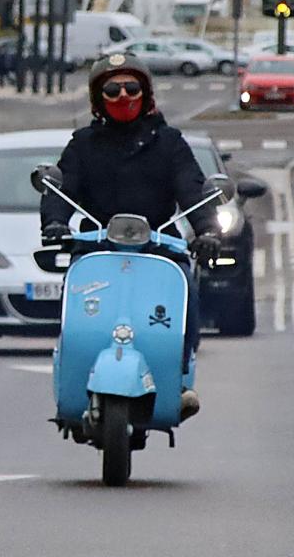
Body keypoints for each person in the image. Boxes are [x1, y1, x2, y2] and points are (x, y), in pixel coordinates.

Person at [38, 52, 224, 420]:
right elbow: (63, 188)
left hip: (158, 246)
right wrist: (55, 224)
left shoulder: (169, 143)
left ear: (146, 93)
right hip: (97, 245)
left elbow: (191, 186)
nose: (123, 96)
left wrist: (206, 229)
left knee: (186, 285)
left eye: (131, 87)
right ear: (97, 98)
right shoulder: (83, 144)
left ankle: (180, 378)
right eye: (112, 89)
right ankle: (76, 373)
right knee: (78, 306)